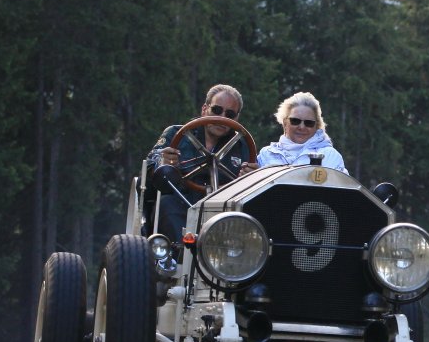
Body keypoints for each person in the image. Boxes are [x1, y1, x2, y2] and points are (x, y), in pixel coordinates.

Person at [145, 84, 255, 235]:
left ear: (236, 118)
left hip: (224, 212)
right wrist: (162, 163)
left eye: (229, 114)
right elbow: (149, 170)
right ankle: (182, 249)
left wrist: (250, 178)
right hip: (181, 202)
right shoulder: (175, 134)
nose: (222, 118)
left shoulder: (242, 146)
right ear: (205, 109)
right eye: (217, 110)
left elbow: (248, 188)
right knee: (166, 203)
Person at [255, 91, 346, 171]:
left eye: (309, 123)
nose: (302, 127)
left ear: (317, 126)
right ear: (285, 123)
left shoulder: (330, 156)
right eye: (295, 121)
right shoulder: (266, 154)